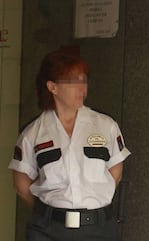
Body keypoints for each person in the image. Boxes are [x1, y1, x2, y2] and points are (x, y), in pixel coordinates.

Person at [8, 49, 131, 241]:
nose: (82, 88)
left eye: (84, 80)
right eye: (73, 82)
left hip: (99, 229)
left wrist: (91, 201)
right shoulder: (33, 132)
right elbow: (21, 183)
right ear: (53, 87)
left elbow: (116, 172)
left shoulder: (106, 125)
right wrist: (50, 210)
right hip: (49, 231)